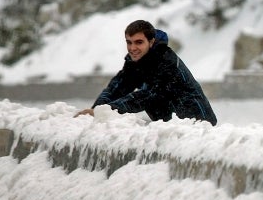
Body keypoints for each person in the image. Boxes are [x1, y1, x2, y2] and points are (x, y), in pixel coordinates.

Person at [75, 20, 218, 125]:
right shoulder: (135, 61)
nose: (132, 48)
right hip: (168, 126)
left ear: (151, 41)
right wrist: (96, 110)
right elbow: (117, 86)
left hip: (198, 123)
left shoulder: (167, 62)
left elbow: (147, 95)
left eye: (138, 42)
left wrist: (107, 110)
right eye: (129, 42)